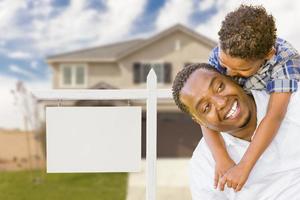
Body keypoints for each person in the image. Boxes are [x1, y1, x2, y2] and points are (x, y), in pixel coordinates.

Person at [203, 5, 300, 191]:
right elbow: (201, 108)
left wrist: (244, 166)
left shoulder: (285, 60)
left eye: (242, 69)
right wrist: (221, 157)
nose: (229, 74)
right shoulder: (220, 53)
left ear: (268, 55)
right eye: (225, 64)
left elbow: (274, 116)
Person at [172, 63, 300, 199]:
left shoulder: (293, 101)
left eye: (220, 87)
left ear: (232, 79)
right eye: (206, 107)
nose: (221, 103)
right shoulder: (204, 165)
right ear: (200, 122)